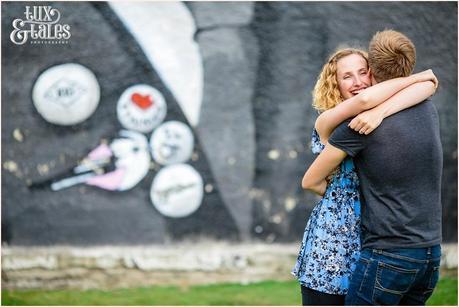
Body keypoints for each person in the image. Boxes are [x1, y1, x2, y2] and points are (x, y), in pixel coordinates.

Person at [301, 30, 442, 306]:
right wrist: (337, 195)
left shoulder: (385, 112)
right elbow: (311, 182)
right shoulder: (336, 124)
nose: (357, 82)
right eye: (346, 77)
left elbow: (427, 87)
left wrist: (383, 109)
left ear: (374, 73)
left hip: (374, 237)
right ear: (335, 85)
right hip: (336, 240)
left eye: (363, 72)